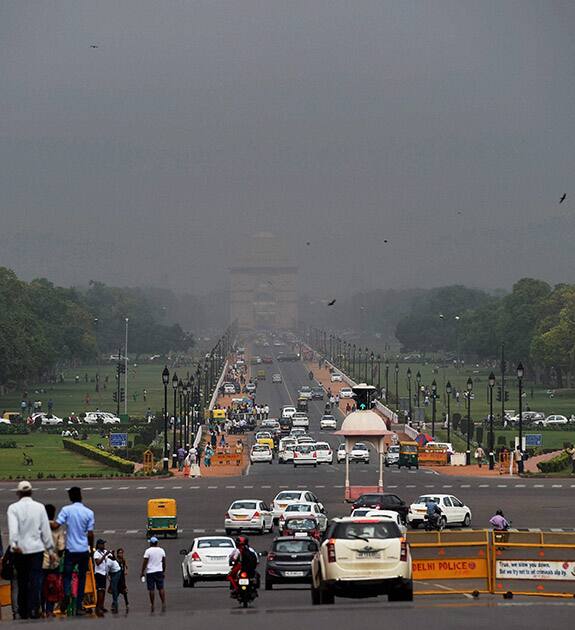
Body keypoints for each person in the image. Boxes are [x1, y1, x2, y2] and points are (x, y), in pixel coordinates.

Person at [7, 480, 55, 619]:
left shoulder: (13, 508)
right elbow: (45, 531)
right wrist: (51, 551)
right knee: (35, 580)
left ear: (18, 493)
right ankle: (35, 608)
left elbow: (13, 529)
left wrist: (14, 545)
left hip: (20, 550)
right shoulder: (39, 507)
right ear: (31, 492)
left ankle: (23, 611)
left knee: (22, 581)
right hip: (36, 549)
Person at [54, 486, 95, 616]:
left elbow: (56, 525)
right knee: (82, 578)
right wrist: (91, 549)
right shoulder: (89, 512)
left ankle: (66, 593)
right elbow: (90, 534)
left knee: (67, 575)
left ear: (70, 497)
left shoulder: (66, 510)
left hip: (70, 549)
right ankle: (78, 606)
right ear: (81, 496)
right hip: (83, 550)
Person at [41, 504, 65, 617]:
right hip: (54, 562)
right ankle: (49, 610)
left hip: (41, 561)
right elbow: (61, 547)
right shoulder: (58, 527)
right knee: (52, 586)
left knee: (40, 585)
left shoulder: (40, 526)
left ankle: (40, 609)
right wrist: (58, 556)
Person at [140, 537, 166, 613]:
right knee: (161, 588)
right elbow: (164, 562)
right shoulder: (161, 550)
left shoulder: (148, 551)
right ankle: (163, 602)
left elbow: (145, 562)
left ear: (151, 543)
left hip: (150, 572)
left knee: (151, 589)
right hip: (159, 571)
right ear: (157, 543)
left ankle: (152, 604)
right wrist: (163, 571)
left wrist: (142, 572)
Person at [93, 538, 111, 616]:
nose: (104, 545)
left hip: (104, 574)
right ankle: (98, 608)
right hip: (99, 574)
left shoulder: (104, 551)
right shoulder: (96, 553)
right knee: (100, 591)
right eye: (102, 544)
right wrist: (105, 555)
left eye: (104, 544)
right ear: (98, 545)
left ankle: (101, 606)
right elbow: (98, 563)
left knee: (103, 591)